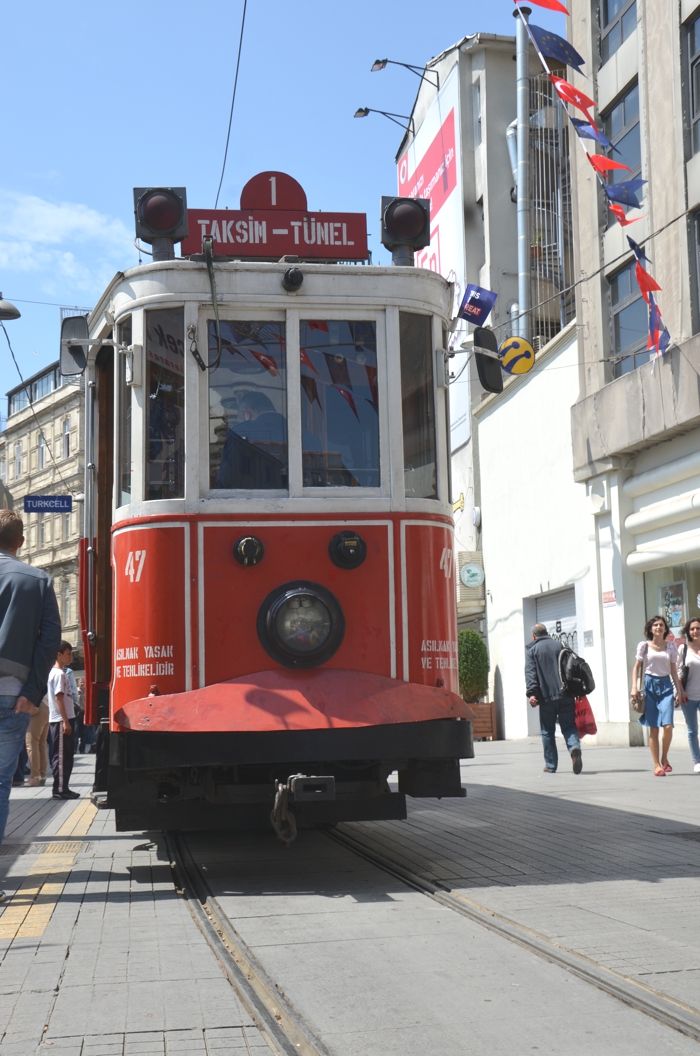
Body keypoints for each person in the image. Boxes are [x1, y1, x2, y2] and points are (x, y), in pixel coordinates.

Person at [0, 509, 61, 890]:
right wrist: (32, 691)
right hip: (13, 698)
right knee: (1, 781)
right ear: (21, 541)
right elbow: (49, 640)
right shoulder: (38, 581)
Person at [631, 616, 685, 776]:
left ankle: (664, 757)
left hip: (666, 686)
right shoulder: (644, 646)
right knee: (654, 728)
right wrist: (634, 687)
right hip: (649, 686)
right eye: (655, 625)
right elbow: (636, 668)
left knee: (668, 726)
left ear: (665, 629)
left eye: (661, 625)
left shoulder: (671, 647)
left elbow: (674, 672)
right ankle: (656, 765)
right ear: (650, 629)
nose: (658, 627)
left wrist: (679, 691)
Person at [526, 623, 582, 774]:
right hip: (566, 694)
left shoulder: (533, 650)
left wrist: (532, 694)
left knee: (547, 731)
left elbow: (531, 674)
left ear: (533, 636)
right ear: (546, 632)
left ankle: (551, 765)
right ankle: (574, 747)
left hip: (546, 697)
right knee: (569, 726)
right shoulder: (561, 645)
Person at [47, 642, 80, 800]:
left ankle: (64, 786)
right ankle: (59, 789)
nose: (70, 657)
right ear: (58, 654)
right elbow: (58, 698)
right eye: (68, 653)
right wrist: (65, 721)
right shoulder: (58, 674)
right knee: (61, 757)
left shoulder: (61, 673)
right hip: (61, 721)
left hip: (65, 719)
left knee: (66, 755)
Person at [676, 616, 700, 774]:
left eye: (698, 628)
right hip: (688, 696)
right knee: (692, 730)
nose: (695, 631)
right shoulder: (683, 649)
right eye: (692, 629)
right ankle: (697, 760)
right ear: (688, 631)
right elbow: (678, 673)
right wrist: (681, 692)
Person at [26, 695, 50, 786]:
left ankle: (35, 776)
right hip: (46, 705)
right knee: (41, 744)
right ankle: (42, 774)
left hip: (37, 705)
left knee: (31, 743)